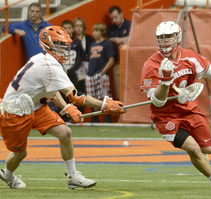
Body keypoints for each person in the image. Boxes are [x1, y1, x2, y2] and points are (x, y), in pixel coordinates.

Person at [0, 26, 126, 189]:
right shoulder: (49, 65)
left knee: (65, 133)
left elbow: (50, 90)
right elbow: (76, 96)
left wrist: (66, 107)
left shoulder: (43, 59)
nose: (65, 49)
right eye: (60, 45)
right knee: (20, 153)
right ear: (48, 45)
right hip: (15, 112)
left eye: (64, 44)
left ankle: (72, 176)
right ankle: (8, 175)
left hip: (36, 106)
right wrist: (105, 104)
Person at [140, 21, 211, 192]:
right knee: (193, 149)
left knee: (208, 149)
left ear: (177, 37)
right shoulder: (151, 65)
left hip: (189, 110)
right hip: (165, 116)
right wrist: (165, 82)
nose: (165, 41)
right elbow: (157, 101)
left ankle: (202, 159)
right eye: (161, 38)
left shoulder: (189, 57)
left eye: (169, 37)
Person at [86, 23, 115, 123]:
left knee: (104, 95)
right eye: (94, 30)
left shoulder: (107, 44)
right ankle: (95, 117)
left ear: (102, 32)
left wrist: (102, 72)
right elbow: (90, 60)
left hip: (101, 75)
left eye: (97, 31)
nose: (94, 33)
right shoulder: (92, 44)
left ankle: (107, 116)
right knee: (92, 97)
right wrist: (88, 72)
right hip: (91, 75)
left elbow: (111, 60)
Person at [107, 5, 131, 100]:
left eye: (116, 17)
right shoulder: (110, 29)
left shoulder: (130, 25)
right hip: (117, 63)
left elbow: (135, 38)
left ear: (121, 14)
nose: (114, 20)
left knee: (131, 90)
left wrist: (120, 40)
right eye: (112, 18)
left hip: (130, 62)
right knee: (119, 93)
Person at [73, 17, 95, 114]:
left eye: (80, 26)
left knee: (86, 90)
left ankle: (86, 113)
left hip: (87, 66)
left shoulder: (89, 39)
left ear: (84, 27)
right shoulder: (71, 39)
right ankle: (75, 112)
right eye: (76, 26)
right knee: (75, 91)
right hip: (74, 67)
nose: (78, 28)